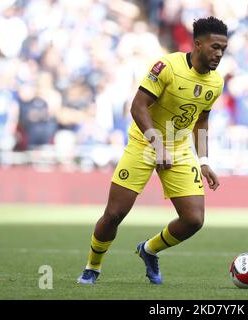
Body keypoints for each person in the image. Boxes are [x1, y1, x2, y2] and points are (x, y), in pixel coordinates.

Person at [77, 16, 228, 285]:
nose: (219, 54)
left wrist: (203, 160)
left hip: (179, 147)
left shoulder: (216, 82)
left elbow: (202, 120)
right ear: (197, 44)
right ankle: (93, 266)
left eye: (223, 49)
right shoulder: (166, 66)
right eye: (214, 47)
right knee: (114, 214)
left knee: (194, 219)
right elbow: (137, 106)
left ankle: (149, 250)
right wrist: (157, 144)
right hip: (145, 143)